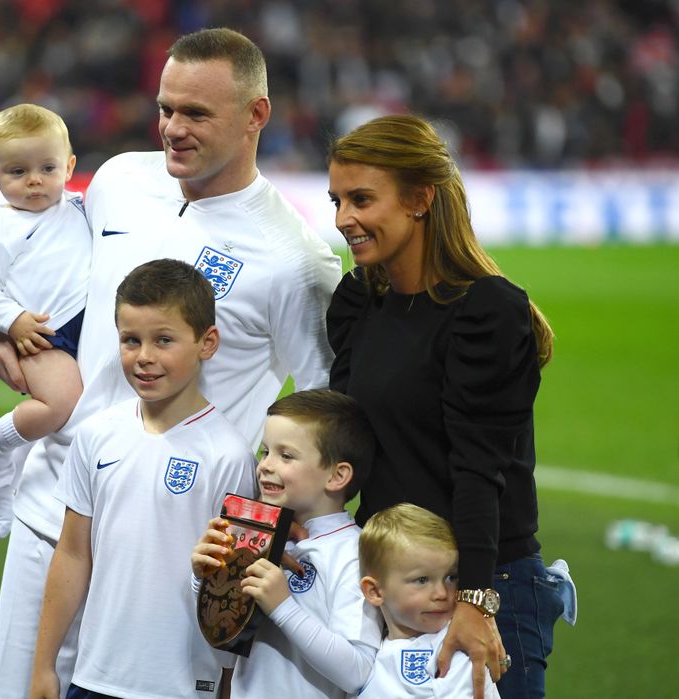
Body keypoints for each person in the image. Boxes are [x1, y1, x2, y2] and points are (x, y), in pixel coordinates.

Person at [0, 28, 341, 699]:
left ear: (256, 115)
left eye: (196, 113)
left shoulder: (295, 261)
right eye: (165, 108)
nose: (172, 128)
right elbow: (47, 258)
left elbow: (322, 412)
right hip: (53, 508)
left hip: (174, 551)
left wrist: (285, 538)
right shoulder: (118, 180)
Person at [325, 114, 567, 699]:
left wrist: (476, 602)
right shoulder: (361, 298)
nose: (342, 220)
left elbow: (478, 470)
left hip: (483, 587)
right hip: (388, 588)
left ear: (419, 199)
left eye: (361, 199)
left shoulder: (486, 310)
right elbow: (343, 449)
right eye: (336, 200)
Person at [30, 259, 257, 699]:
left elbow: (232, 590)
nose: (144, 357)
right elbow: (73, 554)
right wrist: (43, 665)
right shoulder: (97, 434)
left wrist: (228, 688)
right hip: (93, 676)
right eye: (130, 340)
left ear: (207, 343)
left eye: (164, 340)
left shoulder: (229, 456)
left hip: (182, 686)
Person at [191, 389, 383, 698]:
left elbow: (359, 672)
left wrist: (283, 606)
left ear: (337, 476)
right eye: (265, 451)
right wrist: (206, 578)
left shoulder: (353, 553)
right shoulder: (256, 537)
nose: (265, 465)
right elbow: (226, 638)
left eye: (286, 455)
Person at [0, 103, 89, 538]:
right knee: (60, 405)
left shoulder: (82, 208)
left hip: (87, 328)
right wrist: (11, 322)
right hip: (41, 334)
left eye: (47, 167)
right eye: (17, 171)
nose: (35, 180)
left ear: (70, 166)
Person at [357, 502, 502, 698]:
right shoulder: (367, 651)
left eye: (451, 577)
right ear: (374, 591)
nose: (442, 593)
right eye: (422, 580)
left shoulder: (453, 651)